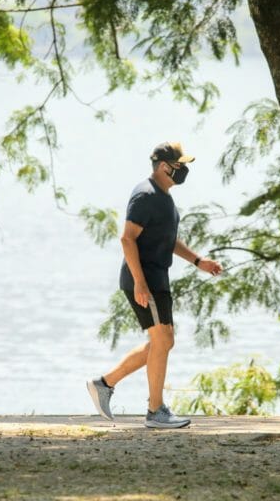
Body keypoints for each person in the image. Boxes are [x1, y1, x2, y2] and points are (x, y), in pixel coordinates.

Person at [87, 141, 223, 429]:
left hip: (157, 277)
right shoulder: (146, 196)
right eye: (180, 165)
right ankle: (155, 410)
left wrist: (199, 262)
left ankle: (104, 384)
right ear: (165, 167)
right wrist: (139, 283)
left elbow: (167, 240)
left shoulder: (164, 198)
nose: (184, 170)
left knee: (163, 341)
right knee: (163, 340)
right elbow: (127, 239)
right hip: (145, 279)